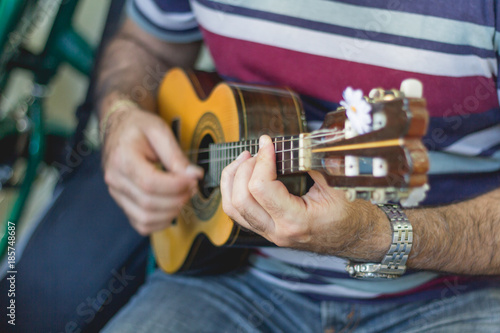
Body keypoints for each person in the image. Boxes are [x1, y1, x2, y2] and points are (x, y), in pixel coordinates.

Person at [97, 1, 500, 332]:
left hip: (453, 294)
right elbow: (145, 43)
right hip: (233, 276)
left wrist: (374, 235)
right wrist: (119, 114)